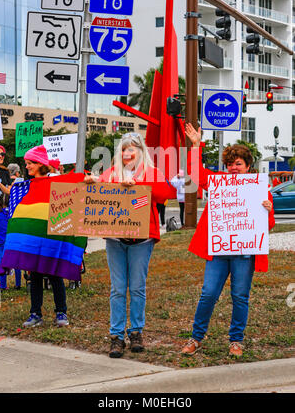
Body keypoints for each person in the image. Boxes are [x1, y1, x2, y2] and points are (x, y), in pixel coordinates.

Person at [181, 123, 275, 358]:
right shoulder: (219, 183)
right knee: (208, 294)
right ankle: (196, 338)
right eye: (230, 164)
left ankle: (236, 341)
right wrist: (195, 145)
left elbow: (268, 224)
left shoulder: (259, 188)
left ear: (248, 166)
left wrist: (268, 209)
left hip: (244, 253)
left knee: (240, 296)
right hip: (219, 250)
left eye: (238, 164)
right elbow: (196, 175)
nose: (233, 168)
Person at [85, 132, 174, 358]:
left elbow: (166, 194)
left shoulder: (152, 172)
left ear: (141, 151)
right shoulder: (112, 173)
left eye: (132, 148)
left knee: (136, 287)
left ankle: (135, 332)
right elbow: (95, 193)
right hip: (116, 239)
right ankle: (116, 336)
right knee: (117, 288)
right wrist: (89, 182)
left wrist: (137, 185)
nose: (127, 153)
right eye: (124, 149)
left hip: (142, 239)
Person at [19, 146, 69, 328]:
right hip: (33, 237)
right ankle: (35, 313)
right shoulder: (27, 185)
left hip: (52, 236)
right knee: (36, 275)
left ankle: (61, 312)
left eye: (30, 163)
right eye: (26, 163)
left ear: (40, 164)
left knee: (55, 274)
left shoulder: (56, 182)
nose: (27, 167)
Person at [0, 144, 11, 282]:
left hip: (2, 214)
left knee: (0, 246)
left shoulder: (5, 172)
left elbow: (9, 191)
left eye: (2, 154)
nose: (0, 156)